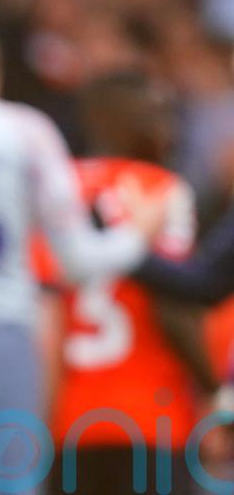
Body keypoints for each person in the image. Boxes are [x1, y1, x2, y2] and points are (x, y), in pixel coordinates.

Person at [0, 14, 166, 495]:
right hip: (1, 331)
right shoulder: (26, 131)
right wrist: (136, 237)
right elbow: (75, 260)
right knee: (8, 483)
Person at [35, 71, 217, 494]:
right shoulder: (161, 190)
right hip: (153, 416)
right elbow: (173, 307)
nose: (168, 127)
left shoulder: (58, 189)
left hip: (70, 420)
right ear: (104, 118)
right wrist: (212, 388)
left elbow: (45, 311)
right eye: (155, 112)